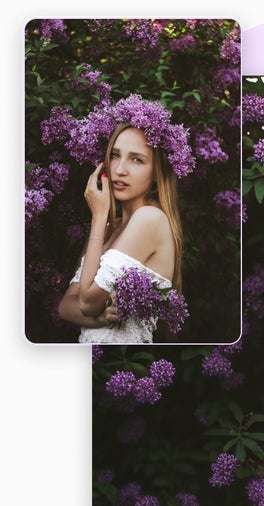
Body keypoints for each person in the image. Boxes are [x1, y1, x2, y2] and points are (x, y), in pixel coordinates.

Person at [57, 96, 191, 344]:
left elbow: (85, 302)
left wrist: (98, 216)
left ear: (156, 173)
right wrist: (98, 320)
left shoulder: (149, 218)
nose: (119, 169)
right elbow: (65, 306)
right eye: (115, 155)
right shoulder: (113, 227)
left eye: (137, 159)